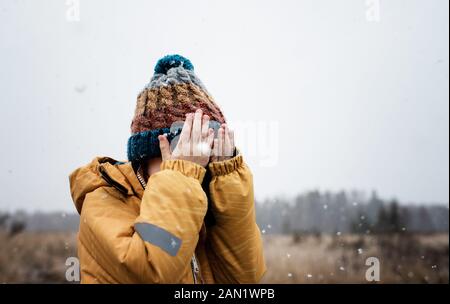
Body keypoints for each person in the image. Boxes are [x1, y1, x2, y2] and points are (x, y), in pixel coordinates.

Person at [69, 55, 266, 283]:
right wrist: (180, 174)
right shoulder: (105, 200)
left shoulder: (197, 201)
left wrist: (227, 186)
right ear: (147, 154)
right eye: (186, 148)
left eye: (207, 151)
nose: (198, 164)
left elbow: (243, 280)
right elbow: (151, 271)